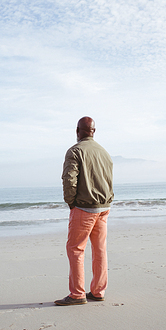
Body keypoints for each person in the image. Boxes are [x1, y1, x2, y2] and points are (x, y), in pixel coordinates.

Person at [55, 116, 114, 306]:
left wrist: (70, 202)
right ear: (93, 131)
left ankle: (77, 294)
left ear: (77, 131)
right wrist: (108, 201)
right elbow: (109, 179)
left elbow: (69, 179)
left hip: (84, 207)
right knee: (100, 250)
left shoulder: (75, 151)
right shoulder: (104, 152)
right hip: (103, 207)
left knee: (75, 249)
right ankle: (98, 291)